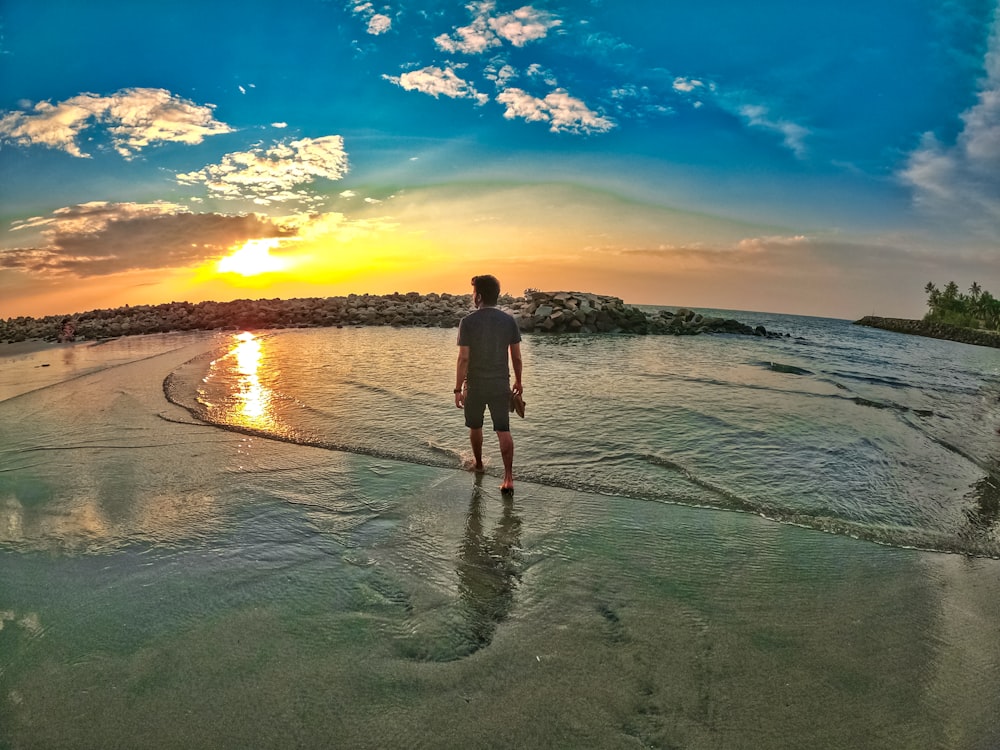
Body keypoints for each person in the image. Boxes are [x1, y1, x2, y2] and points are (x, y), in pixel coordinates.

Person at [454, 274, 523, 492]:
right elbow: (516, 357)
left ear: (479, 296)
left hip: (475, 384)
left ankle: (479, 464)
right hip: (500, 384)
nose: (473, 296)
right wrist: (519, 382)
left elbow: (463, 358)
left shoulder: (468, 322)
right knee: (503, 429)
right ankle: (508, 478)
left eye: (473, 292)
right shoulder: (509, 321)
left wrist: (457, 389)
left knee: (476, 426)